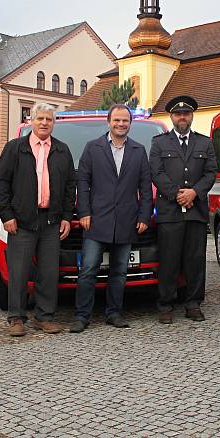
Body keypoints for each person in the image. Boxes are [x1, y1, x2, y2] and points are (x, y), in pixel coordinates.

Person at [0, 103, 76, 336]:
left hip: (51, 220)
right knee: (18, 271)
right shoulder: (15, 148)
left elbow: (70, 186)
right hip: (22, 221)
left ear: (54, 123)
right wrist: (6, 215)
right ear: (31, 120)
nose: (44, 123)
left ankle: (44, 317)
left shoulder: (62, 150)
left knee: (49, 272)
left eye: (49, 119)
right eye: (40, 118)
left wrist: (67, 217)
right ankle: (16, 318)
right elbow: (0, 183)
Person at [70, 104, 153, 333]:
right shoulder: (92, 148)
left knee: (119, 271)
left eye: (125, 121)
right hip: (96, 221)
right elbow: (83, 183)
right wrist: (84, 212)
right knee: (88, 270)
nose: (121, 124)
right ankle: (82, 315)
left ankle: (114, 313)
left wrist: (145, 216)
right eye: (117, 120)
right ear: (109, 122)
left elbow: (145, 187)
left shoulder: (138, 150)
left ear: (130, 123)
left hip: (126, 221)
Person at [150, 95, 216, 324]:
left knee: (195, 259)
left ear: (191, 116)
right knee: (169, 259)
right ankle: (166, 304)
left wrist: (194, 193)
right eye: (178, 114)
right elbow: (156, 173)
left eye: (186, 113)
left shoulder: (204, 143)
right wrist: (178, 194)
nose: (182, 117)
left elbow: (210, 173)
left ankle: (193, 303)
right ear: (171, 117)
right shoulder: (159, 143)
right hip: (170, 211)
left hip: (196, 210)